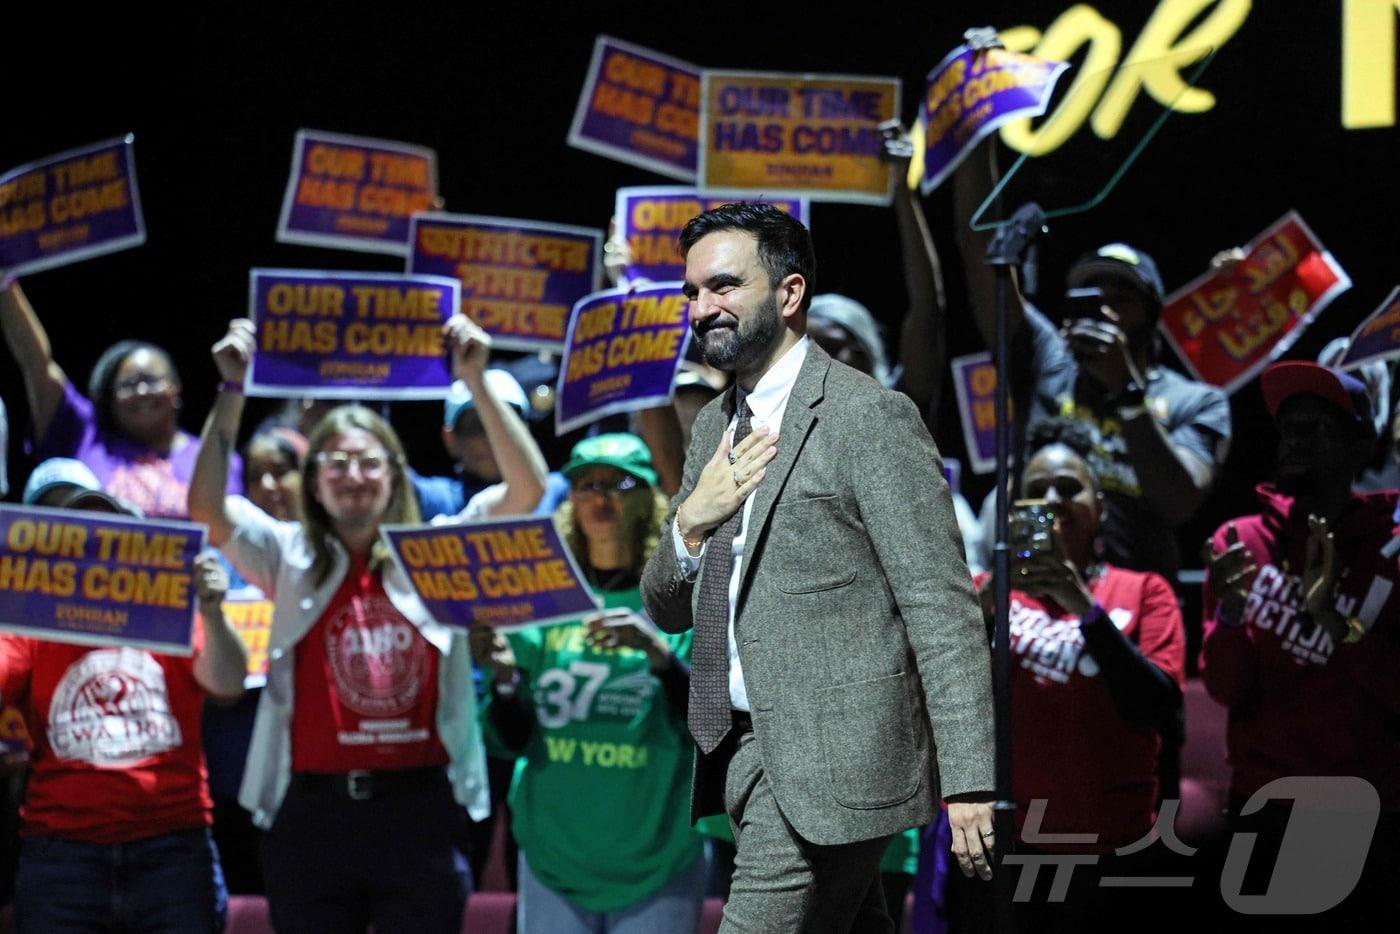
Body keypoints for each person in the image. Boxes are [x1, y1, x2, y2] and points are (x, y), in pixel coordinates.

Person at [639, 202, 995, 931]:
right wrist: (689, 523)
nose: (703, 309)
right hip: (737, 752)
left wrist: (971, 780)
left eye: (725, 287)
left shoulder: (868, 418)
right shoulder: (713, 424)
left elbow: (941, 608)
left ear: (790, 293)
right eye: (693, 294)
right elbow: (666, 607)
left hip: (837, 761)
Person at [187, 317, 491, 932]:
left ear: (395, 472)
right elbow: (205, 508)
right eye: (336, 461)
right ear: (315, 480)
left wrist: (476, 382)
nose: (353, 475)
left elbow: (528, 488)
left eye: (368, 462)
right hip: (310, 818)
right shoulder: (287, 552)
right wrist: (231, 390)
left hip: (419, 811)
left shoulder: (436, 550)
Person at [953, 144, 1231, 581]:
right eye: (1090, 297)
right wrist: (977, 135)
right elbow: (981, 250)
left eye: (1120, 298)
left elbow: (1178, 502)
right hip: (1033, 598)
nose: (1103, 308)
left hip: (1136, 604)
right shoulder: (1050, 360)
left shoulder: (1196, 401)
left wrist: (1126, 390)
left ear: (1152, 314)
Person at [476, 433, 705, 933]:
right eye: (586, 484)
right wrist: (506, 683)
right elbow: (508, 739)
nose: (601, 497)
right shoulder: (542, 601)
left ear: (650, 498)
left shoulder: (680, 599)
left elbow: (708, 727)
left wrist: (660, 656)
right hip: (554, 855)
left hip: (656, 854)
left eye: (619, 484)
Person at [964, 417, 1185, 931]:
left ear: (1100, 508)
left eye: (1070, 487)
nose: (1054, 500)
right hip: (1008, 844)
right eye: (1036, 491)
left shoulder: (1144, 591)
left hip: (1110, 851)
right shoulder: (987, 593)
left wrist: (1080, 605)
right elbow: (931, 681)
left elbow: (1157, 707)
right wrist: (991, 591)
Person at [1202, 361, 1400, 926]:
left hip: (1368, 813)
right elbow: (1223, 687)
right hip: (1263, 806)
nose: (1291, 441)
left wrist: (1331, 618)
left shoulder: (1392, 550)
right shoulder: (1238, 542)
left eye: (1313, 429)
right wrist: (1233, 615)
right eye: (1287, 428)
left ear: (1361, 445)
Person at [0, 487, 247, 933]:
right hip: (64, 853)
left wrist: (211, 612)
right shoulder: (32, 623)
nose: (94, 547)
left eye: (109, 534)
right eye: (78, 537)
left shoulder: (171, 612)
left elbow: (228, 686)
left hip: (172, 850)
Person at [1, 279, 242, 517]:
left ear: (176, 388)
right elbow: (36, 362)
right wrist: (5, 282)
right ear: (110, 398)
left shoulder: (214, 457)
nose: (141, 391)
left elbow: (229, 533)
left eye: (152, 380)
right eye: (128, 385)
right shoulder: (83, 435)